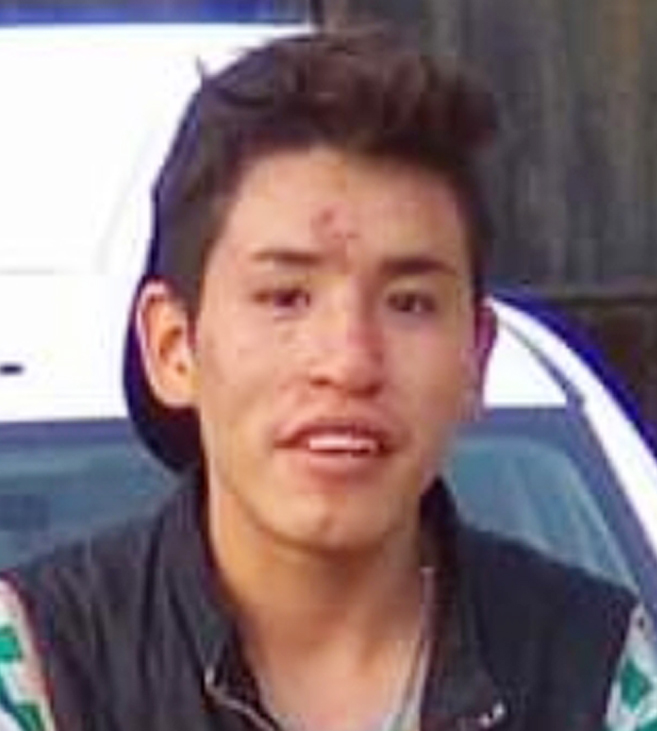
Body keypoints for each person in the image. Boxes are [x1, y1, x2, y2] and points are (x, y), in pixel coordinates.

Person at [0, 27, 655, 731]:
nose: (348, 362)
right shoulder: (37, 669)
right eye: (285, 297)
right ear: (173, 346)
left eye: (409, 303)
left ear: (475, 355)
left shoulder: (603, 678)